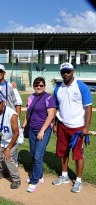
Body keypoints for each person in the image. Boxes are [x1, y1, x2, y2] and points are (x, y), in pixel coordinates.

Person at [52, 62, 92, 193]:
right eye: (63, 72)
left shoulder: (82, 87)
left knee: (78, 154)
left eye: (68, 71)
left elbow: (88, 107)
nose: (66, 74)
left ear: (73, 71)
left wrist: (86, 126)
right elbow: (56, 108)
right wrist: (55, 124)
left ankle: (78, 180)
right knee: (63, 152)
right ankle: (64, 176)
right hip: (63, 125)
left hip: (78, 127)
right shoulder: (58, 89)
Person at [22, 77, 56, 193]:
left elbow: (51, 115)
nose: (38, 87)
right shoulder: (31, 97)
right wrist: (24, 124)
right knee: (32, 153)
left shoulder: (49, 98)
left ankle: (34, 180)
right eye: (36, 85)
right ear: (33, 86)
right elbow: (28, 112)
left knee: (37, 155)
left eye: (41, 85)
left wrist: (42, 131)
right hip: (32, 129)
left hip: (44, 130)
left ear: (44, 86)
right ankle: (40, 175)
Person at [0, 64, 23, 166]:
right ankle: (0, 165)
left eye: (1, 71)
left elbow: (18, 103)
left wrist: (17, 118)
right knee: (1, 140)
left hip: (11, 117)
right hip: (0, 118)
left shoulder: (11, 86)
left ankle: (14, 164)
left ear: (4, 73)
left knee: (14, 142)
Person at [0, 93, 21, 189]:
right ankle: (4, 172)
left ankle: (16, 179)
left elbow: (16, 133)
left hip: (13, 140)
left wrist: (8, 148)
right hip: (3, 139)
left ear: (3, 102)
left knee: (7, 157)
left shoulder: (12, 114)